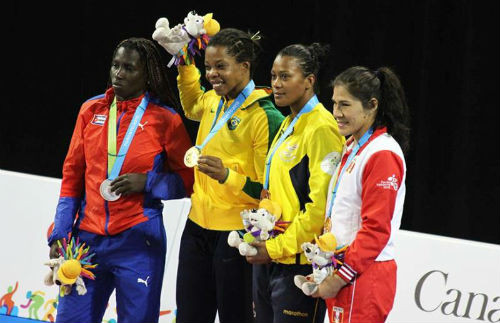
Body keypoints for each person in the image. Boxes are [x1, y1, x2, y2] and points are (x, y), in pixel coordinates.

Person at [47, 37, 194, 323]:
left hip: (139, 242)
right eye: (115, 65)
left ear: (147, 74)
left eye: (129, 68)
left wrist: (148, 182)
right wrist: (61, 233)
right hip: (85, 241)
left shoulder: (165, 119)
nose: (119, 73)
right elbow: (72, 177)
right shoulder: (90, 111)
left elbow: (189, 180)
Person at [170, 28, 284, 323]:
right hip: (197, 228)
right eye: (208, 67)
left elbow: (268, 193)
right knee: (190, 316)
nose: (212, 74)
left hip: (236, 235)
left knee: (237, 317)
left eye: (221, 66)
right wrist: (184, 62)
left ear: (244, 67)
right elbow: (192, 103)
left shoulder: (265, 116)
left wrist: (226, 176)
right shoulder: (212, 102)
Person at [245, 43, 345, 323]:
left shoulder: (322, 128)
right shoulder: (290, 122)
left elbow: (318, 210)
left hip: (299, 267)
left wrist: (275, 249)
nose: (276, 84)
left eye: (285, 76)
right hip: (271, 260)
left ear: (309, 81)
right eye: (274, 76)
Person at [313, 66, 410, 323]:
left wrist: (341, 276)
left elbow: (376, 230)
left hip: (364, 274)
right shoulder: (354, 145)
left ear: (372, 105)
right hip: (347, 268)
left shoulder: (382, 154)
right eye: (334, 103)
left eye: (344, 105)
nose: (336, 113)